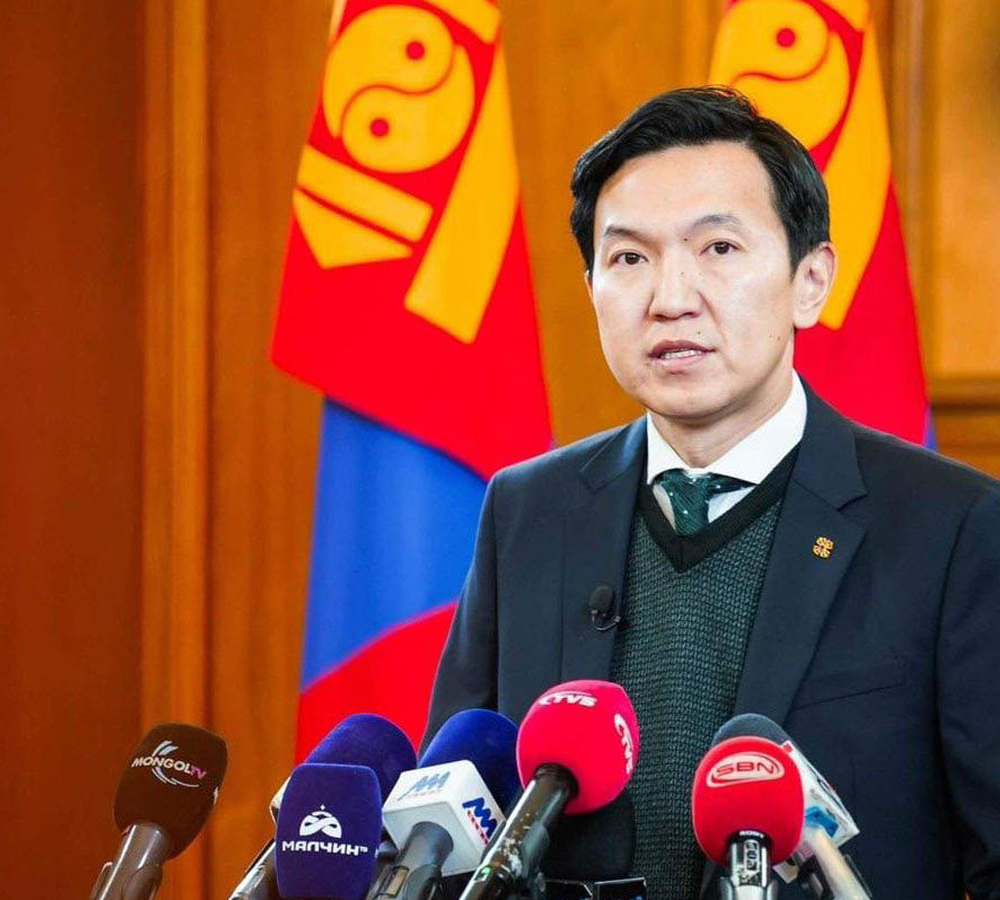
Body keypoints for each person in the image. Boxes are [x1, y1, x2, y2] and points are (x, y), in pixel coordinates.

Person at [423, 87, 1000, 900]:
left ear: (811, 280)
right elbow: (456, 826)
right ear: (590, 286)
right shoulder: (528, 512)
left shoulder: (950, 527)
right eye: (629, 259)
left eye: (719, 248)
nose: (670, 297)